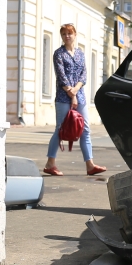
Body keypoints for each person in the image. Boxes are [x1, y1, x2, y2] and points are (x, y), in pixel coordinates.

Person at [44, 23, 106, 176]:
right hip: (63, 97)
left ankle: (90, 165)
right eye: (64, 34)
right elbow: (61, 76)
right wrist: (71, 94)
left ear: (75, 34)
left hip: (80, 96)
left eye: (69, 33)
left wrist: (76, 91)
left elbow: (83, 75)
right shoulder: (59, 54)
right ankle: (50, 163)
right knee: (61, 129)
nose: (67, 36)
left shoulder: (80, 53)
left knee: (85, 130)